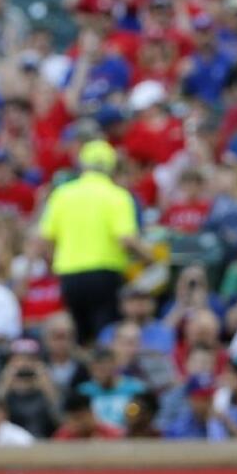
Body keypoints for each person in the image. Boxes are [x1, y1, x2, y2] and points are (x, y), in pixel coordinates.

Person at [38, 140, 155, 343]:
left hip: (69, 274)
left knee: (80, 336)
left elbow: (45, 240)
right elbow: (127, 239)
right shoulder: (117, 195)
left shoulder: (62, 194)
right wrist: (150, 257)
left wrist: (53, 266)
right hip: (105, 273)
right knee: (104, 333)